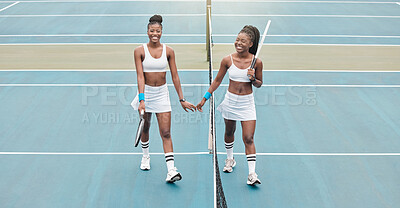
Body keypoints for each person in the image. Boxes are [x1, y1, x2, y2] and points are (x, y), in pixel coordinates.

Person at [131, 14, 196, 183]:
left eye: (158, 31)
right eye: (152, 31)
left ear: (162, 31)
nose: (155, 34)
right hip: (146, 94)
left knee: (166, 132)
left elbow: (175, 76)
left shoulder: (169, 51)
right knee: (145, 128)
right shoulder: (139, 51)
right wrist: (142, 99)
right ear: (147, 32)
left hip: (162, 95)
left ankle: (171, 170)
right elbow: (140, 76)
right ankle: (145, 156)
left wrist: (181, 99)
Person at [197, 25, 263, 185]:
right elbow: (218, 80)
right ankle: (229, 159)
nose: (238, 43)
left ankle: (252, 174)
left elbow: (259, 84)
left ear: (250, 44)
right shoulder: (227, 60)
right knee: (229, 131)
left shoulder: (257, 62)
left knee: (248, 138)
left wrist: (253, 78)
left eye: (243, 41)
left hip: (247, 104)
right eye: (237, 40)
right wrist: (205, 98)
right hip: (230, 102)